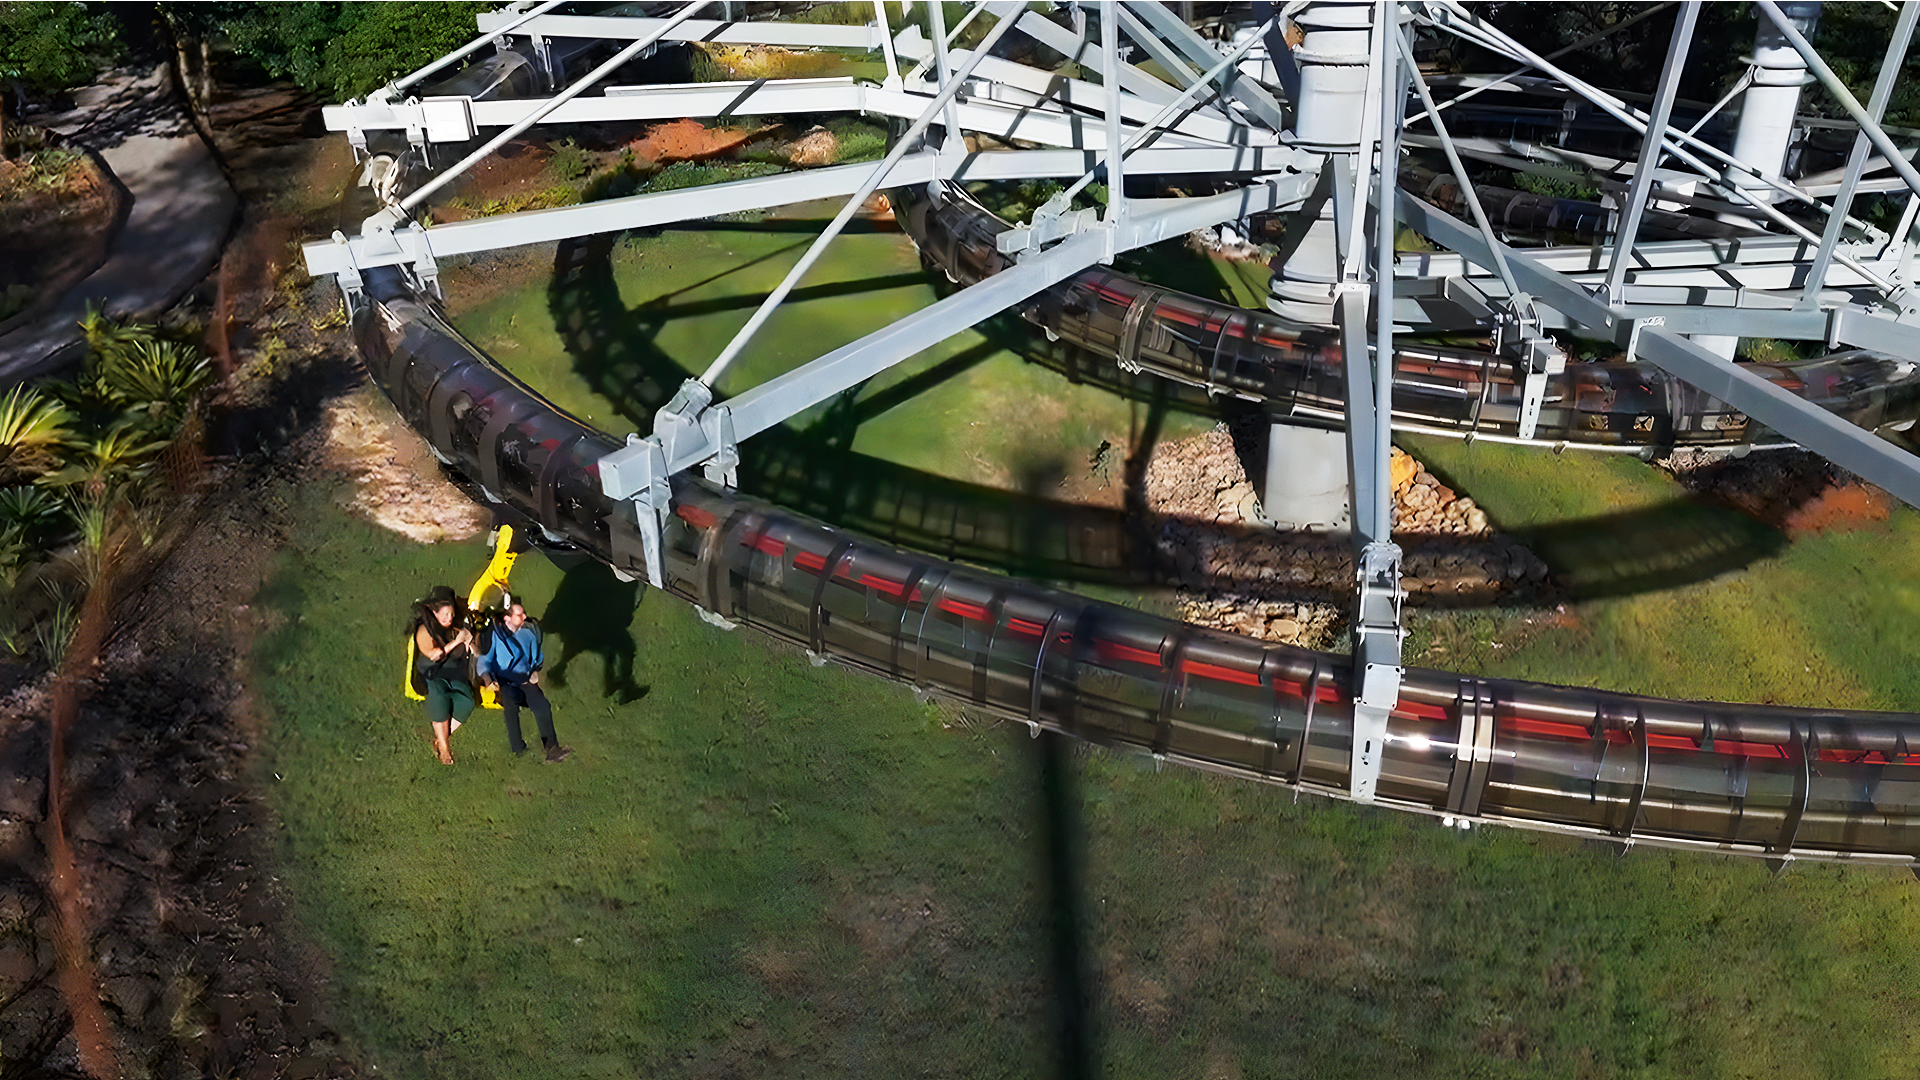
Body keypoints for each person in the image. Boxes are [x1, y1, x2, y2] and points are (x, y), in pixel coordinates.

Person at [477, 601, 573, 763]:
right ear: (507, 618)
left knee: (542, 705)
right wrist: (488, 679)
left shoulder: (529, 634)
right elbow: (484, 661)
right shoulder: (495, 636)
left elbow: (537, 659)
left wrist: (535, 672)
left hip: (524, 679)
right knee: (510, 703)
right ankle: (518, 748)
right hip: (505, 681)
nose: (524, 617)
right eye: (519, 615)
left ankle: (552, 748)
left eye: (523, 613)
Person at [412, 585, 476, 765]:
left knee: (467, 701)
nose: (450, 618)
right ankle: (445, 750)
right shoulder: (424, 630)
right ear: (434, 612)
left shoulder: (455, 624)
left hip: (454, 672)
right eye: (445, 615)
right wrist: (457, 642)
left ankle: (440, 740)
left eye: (452, 614)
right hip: (432, 671)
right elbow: (435, 655)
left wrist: (469, 642)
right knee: (438, 695)